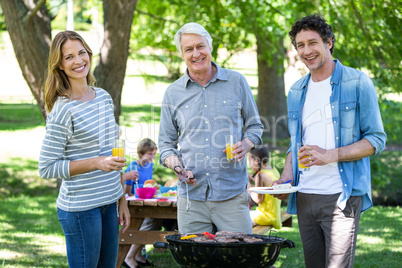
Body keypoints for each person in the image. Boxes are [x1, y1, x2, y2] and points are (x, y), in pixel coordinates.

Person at [273, 14, 387, 268]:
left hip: (341, 195)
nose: (306, 51)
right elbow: (296, 144)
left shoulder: (357, 82)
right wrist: (284, 179)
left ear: (329, 42)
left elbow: (376, 139)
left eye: (312, 43)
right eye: (300, 45)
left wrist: (330, 154)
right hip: (304, 195)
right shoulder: (296, 90)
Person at [158, 22, 264, 234]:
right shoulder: (173, 93)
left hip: (232, 194)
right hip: (191, 199)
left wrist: (246, 143)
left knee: (240, 257)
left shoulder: (237, 82)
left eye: (200, 46)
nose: (196, 54)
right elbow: (166, 145)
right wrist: (177, 167)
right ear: (182, 54)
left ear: (210, 47)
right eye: (189, 49)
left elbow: (255, 126)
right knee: (195, 260)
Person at [38, 30, 130, 267]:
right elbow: (47, 167)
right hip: (80, 210)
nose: (78, 61)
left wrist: (122, 200)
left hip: (110, 203)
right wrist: (96, 163)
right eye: (69, 57)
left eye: (81, 53)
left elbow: (114, 152)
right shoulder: (63, 110)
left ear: (89, 54)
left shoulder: (103, 98)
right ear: (59, 65)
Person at [123, 138, 158, 268]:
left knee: (155, 221)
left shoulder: (150, 165)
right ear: (141, 154)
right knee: (146, 224)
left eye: (154, 153)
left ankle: (137, 254)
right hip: (134, 202)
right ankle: (129, 256)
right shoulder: (133, 166)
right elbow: (128, 190)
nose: (153, 157)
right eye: (150, 154)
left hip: (146, 199)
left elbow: (148, 183)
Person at [247, 147, 281, 229]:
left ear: (256, 161)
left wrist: (248, 186)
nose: (249, 164)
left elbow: (259, 200)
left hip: (265, 216)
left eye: (249, 161)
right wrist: (257, 181)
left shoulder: (260, 175)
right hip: (275, 215)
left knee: (239, 217)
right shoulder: (273, 170)